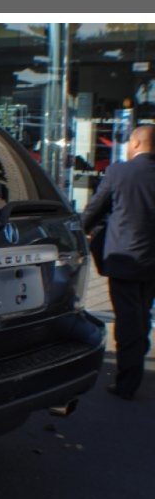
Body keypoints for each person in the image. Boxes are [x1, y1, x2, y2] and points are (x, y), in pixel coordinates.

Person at [83, 125, 155, 400]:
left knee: (127, 320)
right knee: (142, 312)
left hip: (124, 259)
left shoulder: (119, 172)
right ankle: (136, 359)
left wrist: (79, 231)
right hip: (152, 262)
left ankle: (128, 380)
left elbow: (95, 208)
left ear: (136, 143)